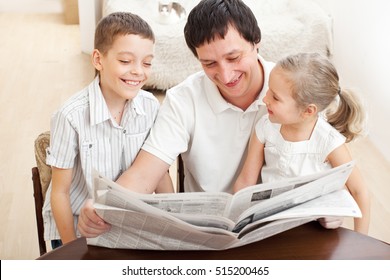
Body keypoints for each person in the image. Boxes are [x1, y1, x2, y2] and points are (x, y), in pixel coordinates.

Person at [78, 0, 343, 238]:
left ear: (256, 42)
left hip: (283, 229)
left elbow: (325, 164)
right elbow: (145, 175)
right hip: (209, 233)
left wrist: (331, 207)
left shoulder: (294, 87)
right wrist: (104, 204)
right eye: (210, 64)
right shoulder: (183, 99)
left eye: (234, 57)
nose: (226, 76)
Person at [42, 12, 173, 249]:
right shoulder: (70, 116)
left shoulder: (151, 106)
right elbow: (60, 194)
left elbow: (160, 173)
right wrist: (74, 250)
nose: (138, 71)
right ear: (98, 60)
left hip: (128, 222)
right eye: (125, 61)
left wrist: (175, 224)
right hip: (76, 227)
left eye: (147, 63)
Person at [233, 52, 370, 234]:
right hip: (268, 223)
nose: (265, 100)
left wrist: (361, 241)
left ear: (308, 111)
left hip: (312, 229)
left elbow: (359, 191)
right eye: (269, 91)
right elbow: (245, 181)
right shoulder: (266, 127)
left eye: (275, 97)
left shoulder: (329, 142)